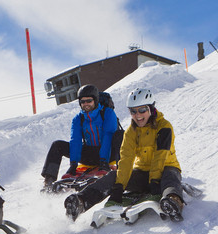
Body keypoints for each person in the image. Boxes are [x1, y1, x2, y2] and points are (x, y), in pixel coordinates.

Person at [64, 87, 184, 221]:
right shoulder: (130, 132)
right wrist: (119, 187)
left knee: (170, 178)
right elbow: (126, 160)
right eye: (133, 111)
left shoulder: (164, 127)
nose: (138, 115)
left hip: (166, 168)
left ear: (151, 108)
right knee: (114, 176)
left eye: (142, 110)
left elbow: (160, 157)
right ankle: (81, 201)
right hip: (143, 173)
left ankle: (172, 202)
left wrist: (155, 180)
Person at [41, 84, 121, 188]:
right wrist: (73, 164)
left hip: (109, 154)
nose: (86, 104)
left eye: (89, 101)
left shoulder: (107, 113)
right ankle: (48, 181)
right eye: (82, 102)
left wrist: (104, 163)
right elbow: (76, 141)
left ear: (96, 100)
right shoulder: (78, 119)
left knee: (120, 135)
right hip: (91, 154)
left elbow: (108, 136)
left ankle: (122, 172)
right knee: (57, 145)